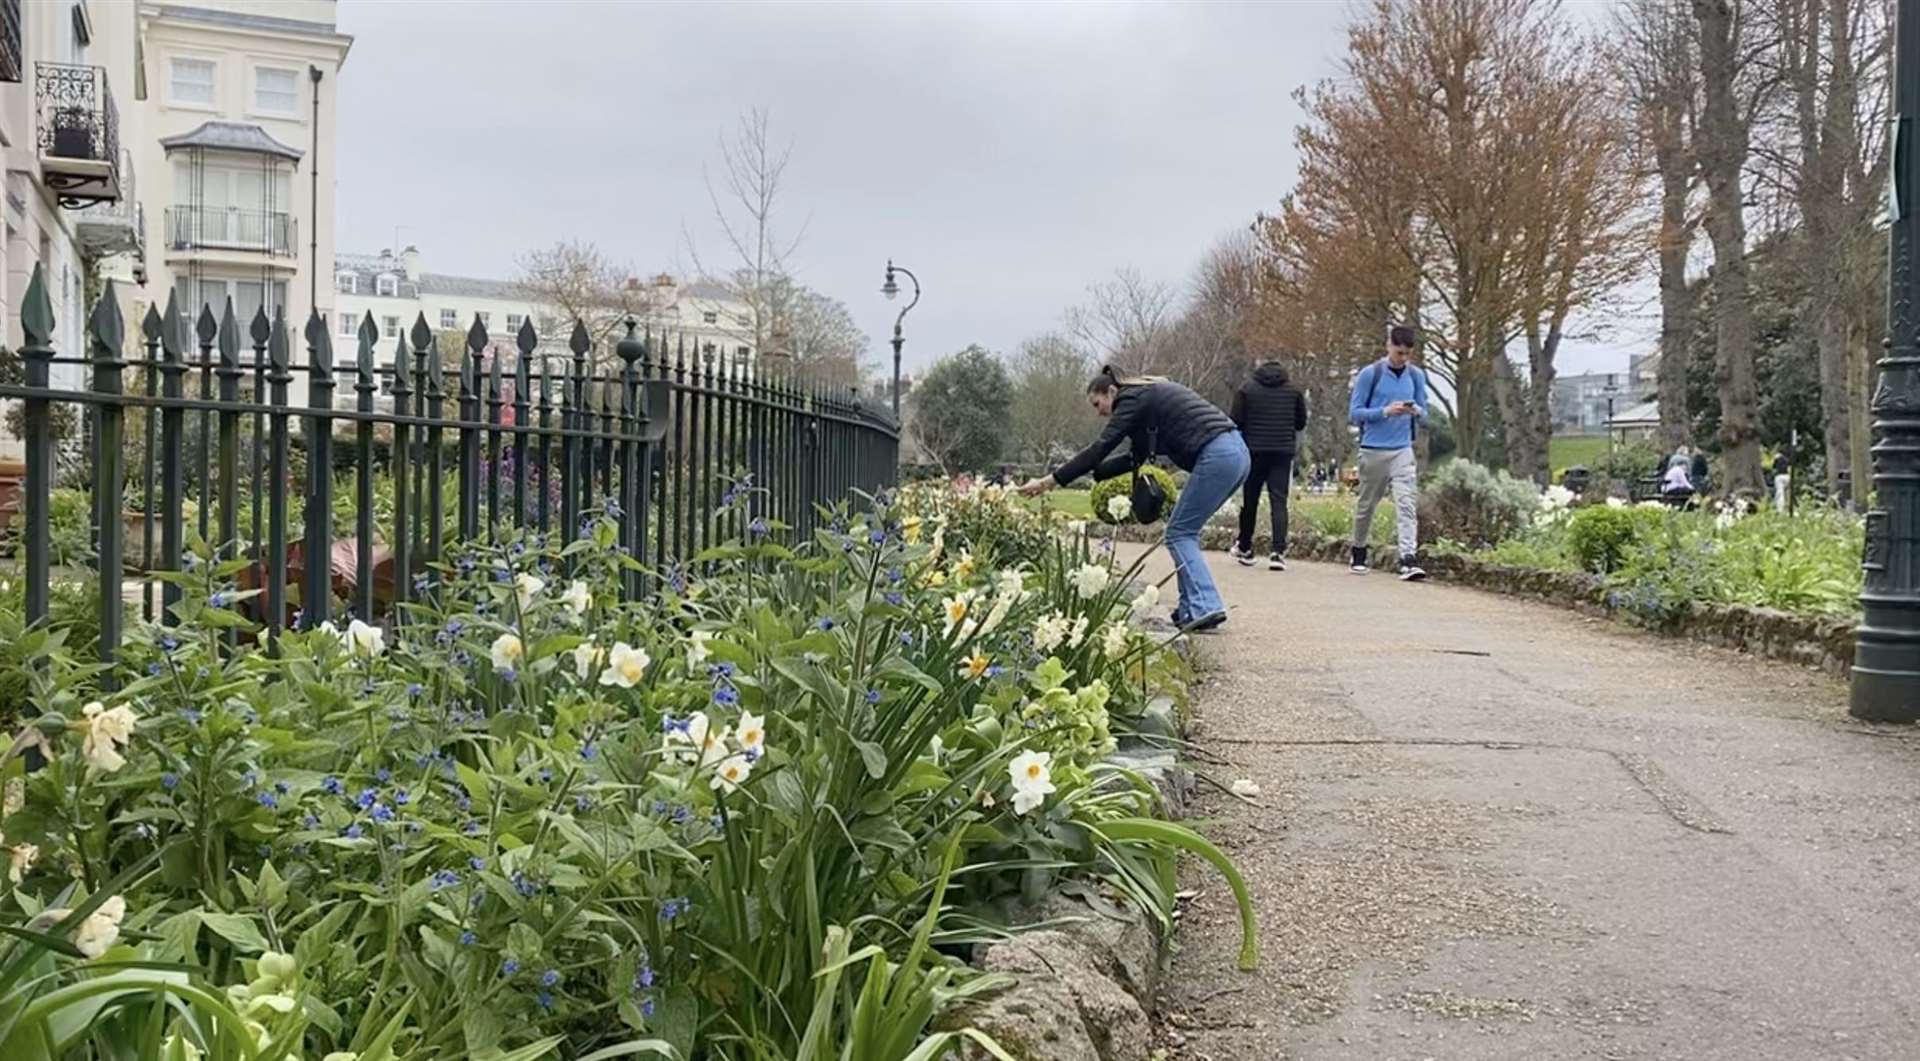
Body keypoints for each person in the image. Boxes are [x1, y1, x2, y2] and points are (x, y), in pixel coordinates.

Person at [1019, 366, 1249, 631]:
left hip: (1219, 453)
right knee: (1184, 532)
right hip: (1237, 453)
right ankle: (1191, 609)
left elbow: (1100, 447)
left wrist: (1049, 481)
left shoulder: (1132, 399)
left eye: (1098, 403)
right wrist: (1096, 472)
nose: (1099, 412)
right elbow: (1132, 458)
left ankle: (1206, 605)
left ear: (1112, 391)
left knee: (1179, 533)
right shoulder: (1145, 401)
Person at [1348, 325, 1430, 580]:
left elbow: (1426, 412)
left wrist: (1415, 410)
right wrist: (1385, 411)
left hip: (1402, 449)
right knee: (1366, 505)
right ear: (1388, 346)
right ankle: (1358, 550)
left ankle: (1408, 558)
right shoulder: (1369, 374)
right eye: (1398, 352)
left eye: (1407, 354)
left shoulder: (1416, 376)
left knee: (1406, 503)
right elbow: (1355, 413)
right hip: (1373, 450)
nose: (1402, 358)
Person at [1227, 357, 1308, 570]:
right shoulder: (1294, 391)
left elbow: (1235, 420)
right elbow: (1301, 422)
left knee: (1250, 500)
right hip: (1282, 451)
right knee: (1279, 501)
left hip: (1253, 451)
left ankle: (1245, 546)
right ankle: (1278, 551)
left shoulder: (1246, 389)